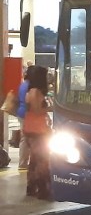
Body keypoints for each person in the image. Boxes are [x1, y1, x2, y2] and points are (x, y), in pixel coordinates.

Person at [23, 65, 52, 199]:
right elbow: (36, 111)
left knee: (34, 160)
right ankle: (42, 189)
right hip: (37, 130)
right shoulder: (35, 92)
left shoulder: (31, 90)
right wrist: (51, 108)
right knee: (42, 160)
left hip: (32, 129)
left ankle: (32, 187)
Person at [16, 65, 35, 173]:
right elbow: (30, 102)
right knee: (27, 139)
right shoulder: (30, 86)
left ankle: (23, 163)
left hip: (21, 113)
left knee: (24, 139)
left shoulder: (23, 85)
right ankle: (23, 163)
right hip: (27, 114)